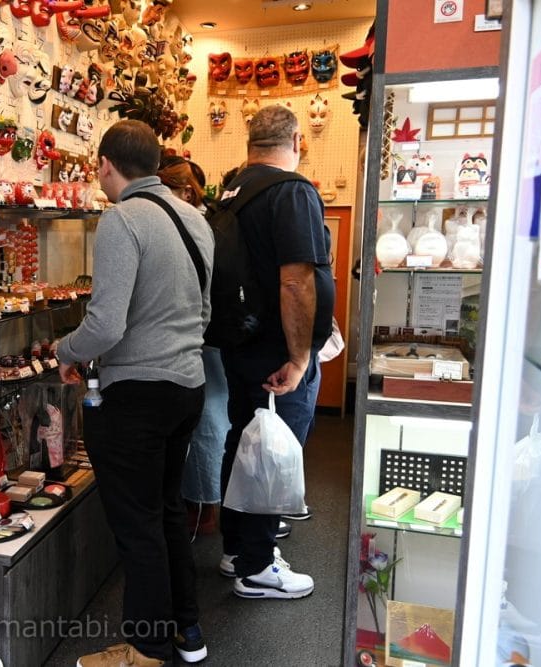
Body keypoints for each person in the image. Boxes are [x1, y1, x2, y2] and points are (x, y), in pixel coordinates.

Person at [58, 120, 213, 667]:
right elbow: (204, 312)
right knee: (168, 511)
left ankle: (145, 650)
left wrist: (63, 351)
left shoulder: (122, 219)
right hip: (187, 387)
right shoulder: (195, 219)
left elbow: (105, 326)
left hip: (136, 398)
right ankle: (185, 631)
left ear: (105, 164)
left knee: (138, 525)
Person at [216, 105, 334, 599]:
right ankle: (258, 567)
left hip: (240, 342)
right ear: (298, 139)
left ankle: (236, 549)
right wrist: (301, 356)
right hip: (276, 353)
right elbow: (296, 281)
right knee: (271, 451)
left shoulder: (231, 190)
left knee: (243, 442)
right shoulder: (292, 191)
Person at [156, 155, 220, 536]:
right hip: (198, 347)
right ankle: (199, 509)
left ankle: (201, 511)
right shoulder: (203, 224)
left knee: (206, 428)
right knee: (204, 426)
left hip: (190, 352)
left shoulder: (193, 223)